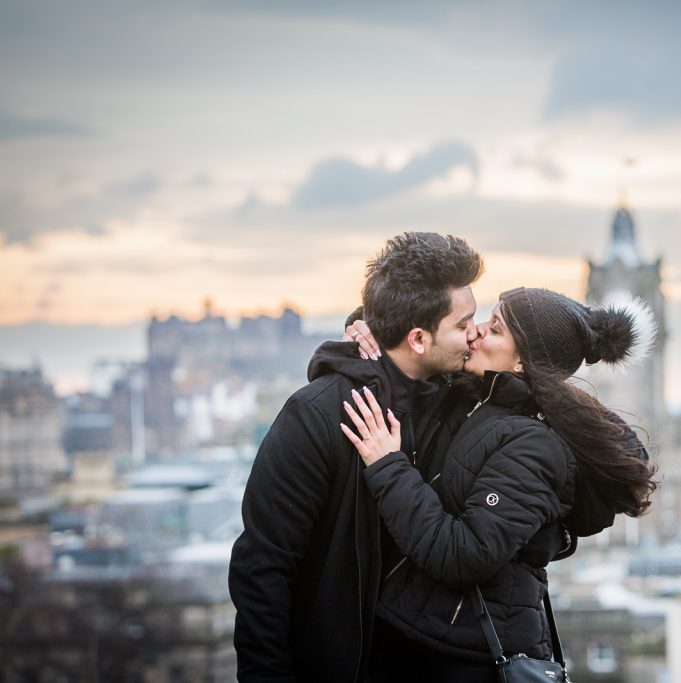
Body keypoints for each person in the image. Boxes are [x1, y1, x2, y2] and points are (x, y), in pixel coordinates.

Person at [341, 287, 658, 682]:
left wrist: (388, 466)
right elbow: (415, 354)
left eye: (494, 329)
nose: (474, 332)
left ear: (523, 360)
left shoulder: (535, 447)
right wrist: (368, 328)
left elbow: (465, 553)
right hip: (429, 637)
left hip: (468, 656)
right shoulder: (477, 399)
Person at [229, 232, 484, 681]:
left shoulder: (464, 405)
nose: (475, 334)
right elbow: (262, 570)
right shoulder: (316, 417)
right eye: (464, 325)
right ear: (419, 339)